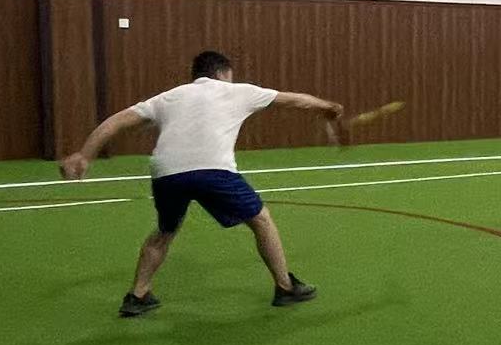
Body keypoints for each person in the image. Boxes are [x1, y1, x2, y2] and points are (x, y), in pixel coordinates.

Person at [59, 51, 342, 317]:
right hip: (212, 170)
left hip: (166, 173)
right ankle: (286, 287)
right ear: (223, 73)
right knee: (261, 219)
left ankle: (138, 295)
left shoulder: (168, 97)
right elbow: (295, 100)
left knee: (165, 232)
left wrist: (85, 155)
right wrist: (329, 107)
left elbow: (115, 122)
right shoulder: (237, 91)